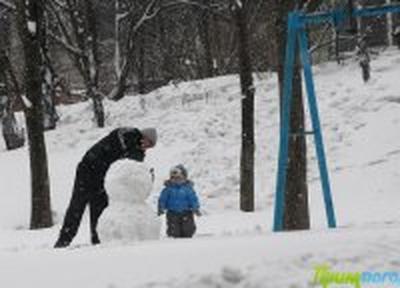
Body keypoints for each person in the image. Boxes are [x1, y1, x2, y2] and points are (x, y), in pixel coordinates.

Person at [54, 127, 157, 248]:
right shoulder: (130, 134)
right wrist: (139, 159)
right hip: (87, 169)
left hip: (102, 176)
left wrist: (145, 173)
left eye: (149, 147)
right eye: (148, 143)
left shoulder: (135, 149)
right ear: (144, 136)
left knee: (99, 209)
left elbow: (133, 166)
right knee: (77, 205)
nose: (146, 148)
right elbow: (125, 148)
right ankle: (63, 241)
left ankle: (97, 241)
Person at [157, 164, 201, 238]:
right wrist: (161, 208)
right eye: (173, 178)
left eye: (178, 178)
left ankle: (188, 239)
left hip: (186, 212)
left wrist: (195, 208)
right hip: (172, 213)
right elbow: (162, 199)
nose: (176, 180)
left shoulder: (188, 189)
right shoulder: (168, 189)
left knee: (188, 229)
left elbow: (193, 199)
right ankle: (174, 241)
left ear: (184, 178)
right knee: (173, 230)